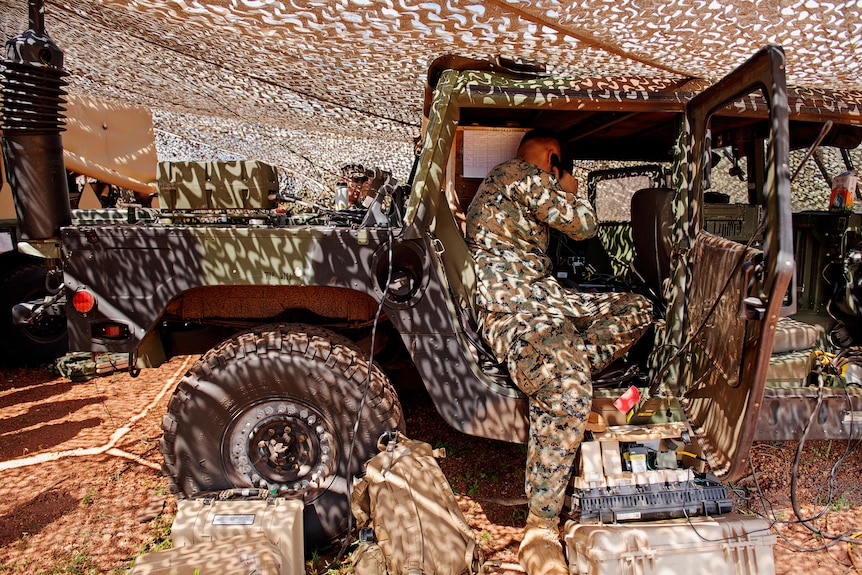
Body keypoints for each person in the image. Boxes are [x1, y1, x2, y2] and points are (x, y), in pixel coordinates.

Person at [465, 129, 653, 575]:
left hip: (544, 297)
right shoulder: (520, 175)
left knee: (637, 307)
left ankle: (562, 364)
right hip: (515, 308)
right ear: (553, 159)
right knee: (569, 393)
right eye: (560, 167)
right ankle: (541, 526)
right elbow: (584, 226)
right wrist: (568, 189)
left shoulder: (505, 183)